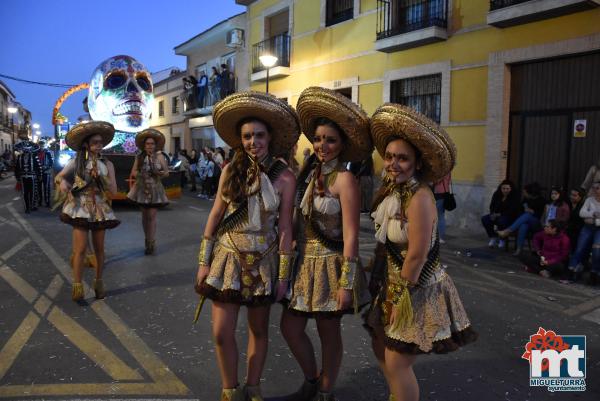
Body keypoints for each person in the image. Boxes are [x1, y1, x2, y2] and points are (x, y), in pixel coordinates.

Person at [364, 104, 476, 401]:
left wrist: (399, 301)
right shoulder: (393, 191)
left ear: (416, 163)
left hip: (416, 288)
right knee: (382, 347)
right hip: (395, 282)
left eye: (402, 158)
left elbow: (417, 255)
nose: (393, 164)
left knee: (398, 361)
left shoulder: (420, 197)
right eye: (389, 157)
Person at [194, 92, 299, 401]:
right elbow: (215, 216)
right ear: (240, 140)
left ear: (270, 138)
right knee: (221, 332)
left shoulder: (285, 177)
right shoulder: (230, 170)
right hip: (227, 258)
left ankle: (253, 386)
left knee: (259, 330)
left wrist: (282, 276)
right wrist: (203, 261)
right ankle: (229, 388)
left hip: (263, 260)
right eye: (248, 136)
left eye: (260, 135)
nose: (254, 141)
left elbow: (285, 227)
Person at [282, 87, 371, 401]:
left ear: (343, 145)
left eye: (330, 140)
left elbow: (351, 236)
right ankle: (311, 378)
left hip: (332, 267)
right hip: (304, 264)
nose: (322, 145)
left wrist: (346, 284)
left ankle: (325, 391)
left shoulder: (345, 181)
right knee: (289, 328)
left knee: (328, 333)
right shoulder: (310, 173)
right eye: (318, 139)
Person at [54, 121, 119, 301]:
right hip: (80, 208)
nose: (99, 145)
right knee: (81, 249)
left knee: (99, 249)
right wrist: (64, 183)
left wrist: (104, 181)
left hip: (99, 209)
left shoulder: (108, 165)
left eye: (100, 142)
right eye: (95, 142)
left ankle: (99, 282)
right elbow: (59, 178)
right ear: (86, 145)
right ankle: (78, 286)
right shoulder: (76, 162)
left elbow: (113, 191)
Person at [127, 129, 170, 255]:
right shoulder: (139, 157)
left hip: (155, 190)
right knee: (144, 216)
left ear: (155, 145)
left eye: (152, 144)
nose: (150, 146)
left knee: (151, 216)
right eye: (147, 144)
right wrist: (141, 174)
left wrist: (159, 174)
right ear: (144, 146)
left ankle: (151, 242)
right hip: (142, 189)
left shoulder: (160, 156)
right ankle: (147, 239)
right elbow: (133, 172)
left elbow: (167, 172)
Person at [497, 182, 546, 256]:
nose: (523, 194)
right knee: (523, 225)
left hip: (536, 223)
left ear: (530, 193)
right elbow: (519, 209)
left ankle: (508, 231)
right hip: (525, 221)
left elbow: (541, 215)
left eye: (525, 192)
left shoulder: (541, 200)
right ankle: (519, 249)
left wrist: (532, 212)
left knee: (528, 215)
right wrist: (525, 209)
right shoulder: (526, 199)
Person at [567, 181, 600, 284]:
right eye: (594, 188)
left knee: (596, 251)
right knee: (580, 248)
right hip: (588, 227)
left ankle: (594, 272)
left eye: (598, 188)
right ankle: (571, 270)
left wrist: (594, 220)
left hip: (599, 229)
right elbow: (582, 213)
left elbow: (587, 217)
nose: (595, 190)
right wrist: (594, 214)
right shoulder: (589, 200)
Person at [481, 179, 521, 248]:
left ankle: (502, 239)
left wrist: (499, 214)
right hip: (496, 215)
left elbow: (512, 210)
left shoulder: (515, 196)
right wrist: (492, 214)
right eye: (503, 188)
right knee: (485, 219)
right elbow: (492, 205)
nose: (505, 190)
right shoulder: (497, 194)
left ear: (511, 189)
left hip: (509, 217)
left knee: (502, 221)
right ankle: (493, 236)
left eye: (507, 188)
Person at [14, 141, 41, 213]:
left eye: (27, 149)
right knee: (25, 193)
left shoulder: (34, 156)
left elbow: (38, 167)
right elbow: (16, 168)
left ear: (30, 149)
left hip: (32, 177)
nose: (26, 150)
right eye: (25, 149)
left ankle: (32, 206)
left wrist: (39, 176)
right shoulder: (19, 157)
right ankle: (27, 207)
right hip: (23, 178)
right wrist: (17, 178)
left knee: (32, 192)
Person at [432, 173, 451, 244]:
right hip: (444, 193)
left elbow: (435, 180)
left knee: (438, 216)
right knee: (441, 216)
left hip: (437, 193)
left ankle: (438, 237)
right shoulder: (448, 168)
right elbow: (448, 181)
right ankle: (440, 237)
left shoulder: (441, 169)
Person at [36, 140, 54, 207]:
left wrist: (47, 167)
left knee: (46, 188)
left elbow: (51, 162)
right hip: (38, 173)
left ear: (44, 145)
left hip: (46, 172)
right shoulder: (36, 152)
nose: (41, 146)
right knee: (38, 188)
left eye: (42, 145)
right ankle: (39, 202)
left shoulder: (48, 153)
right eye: (40, 145)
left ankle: (47, 202)